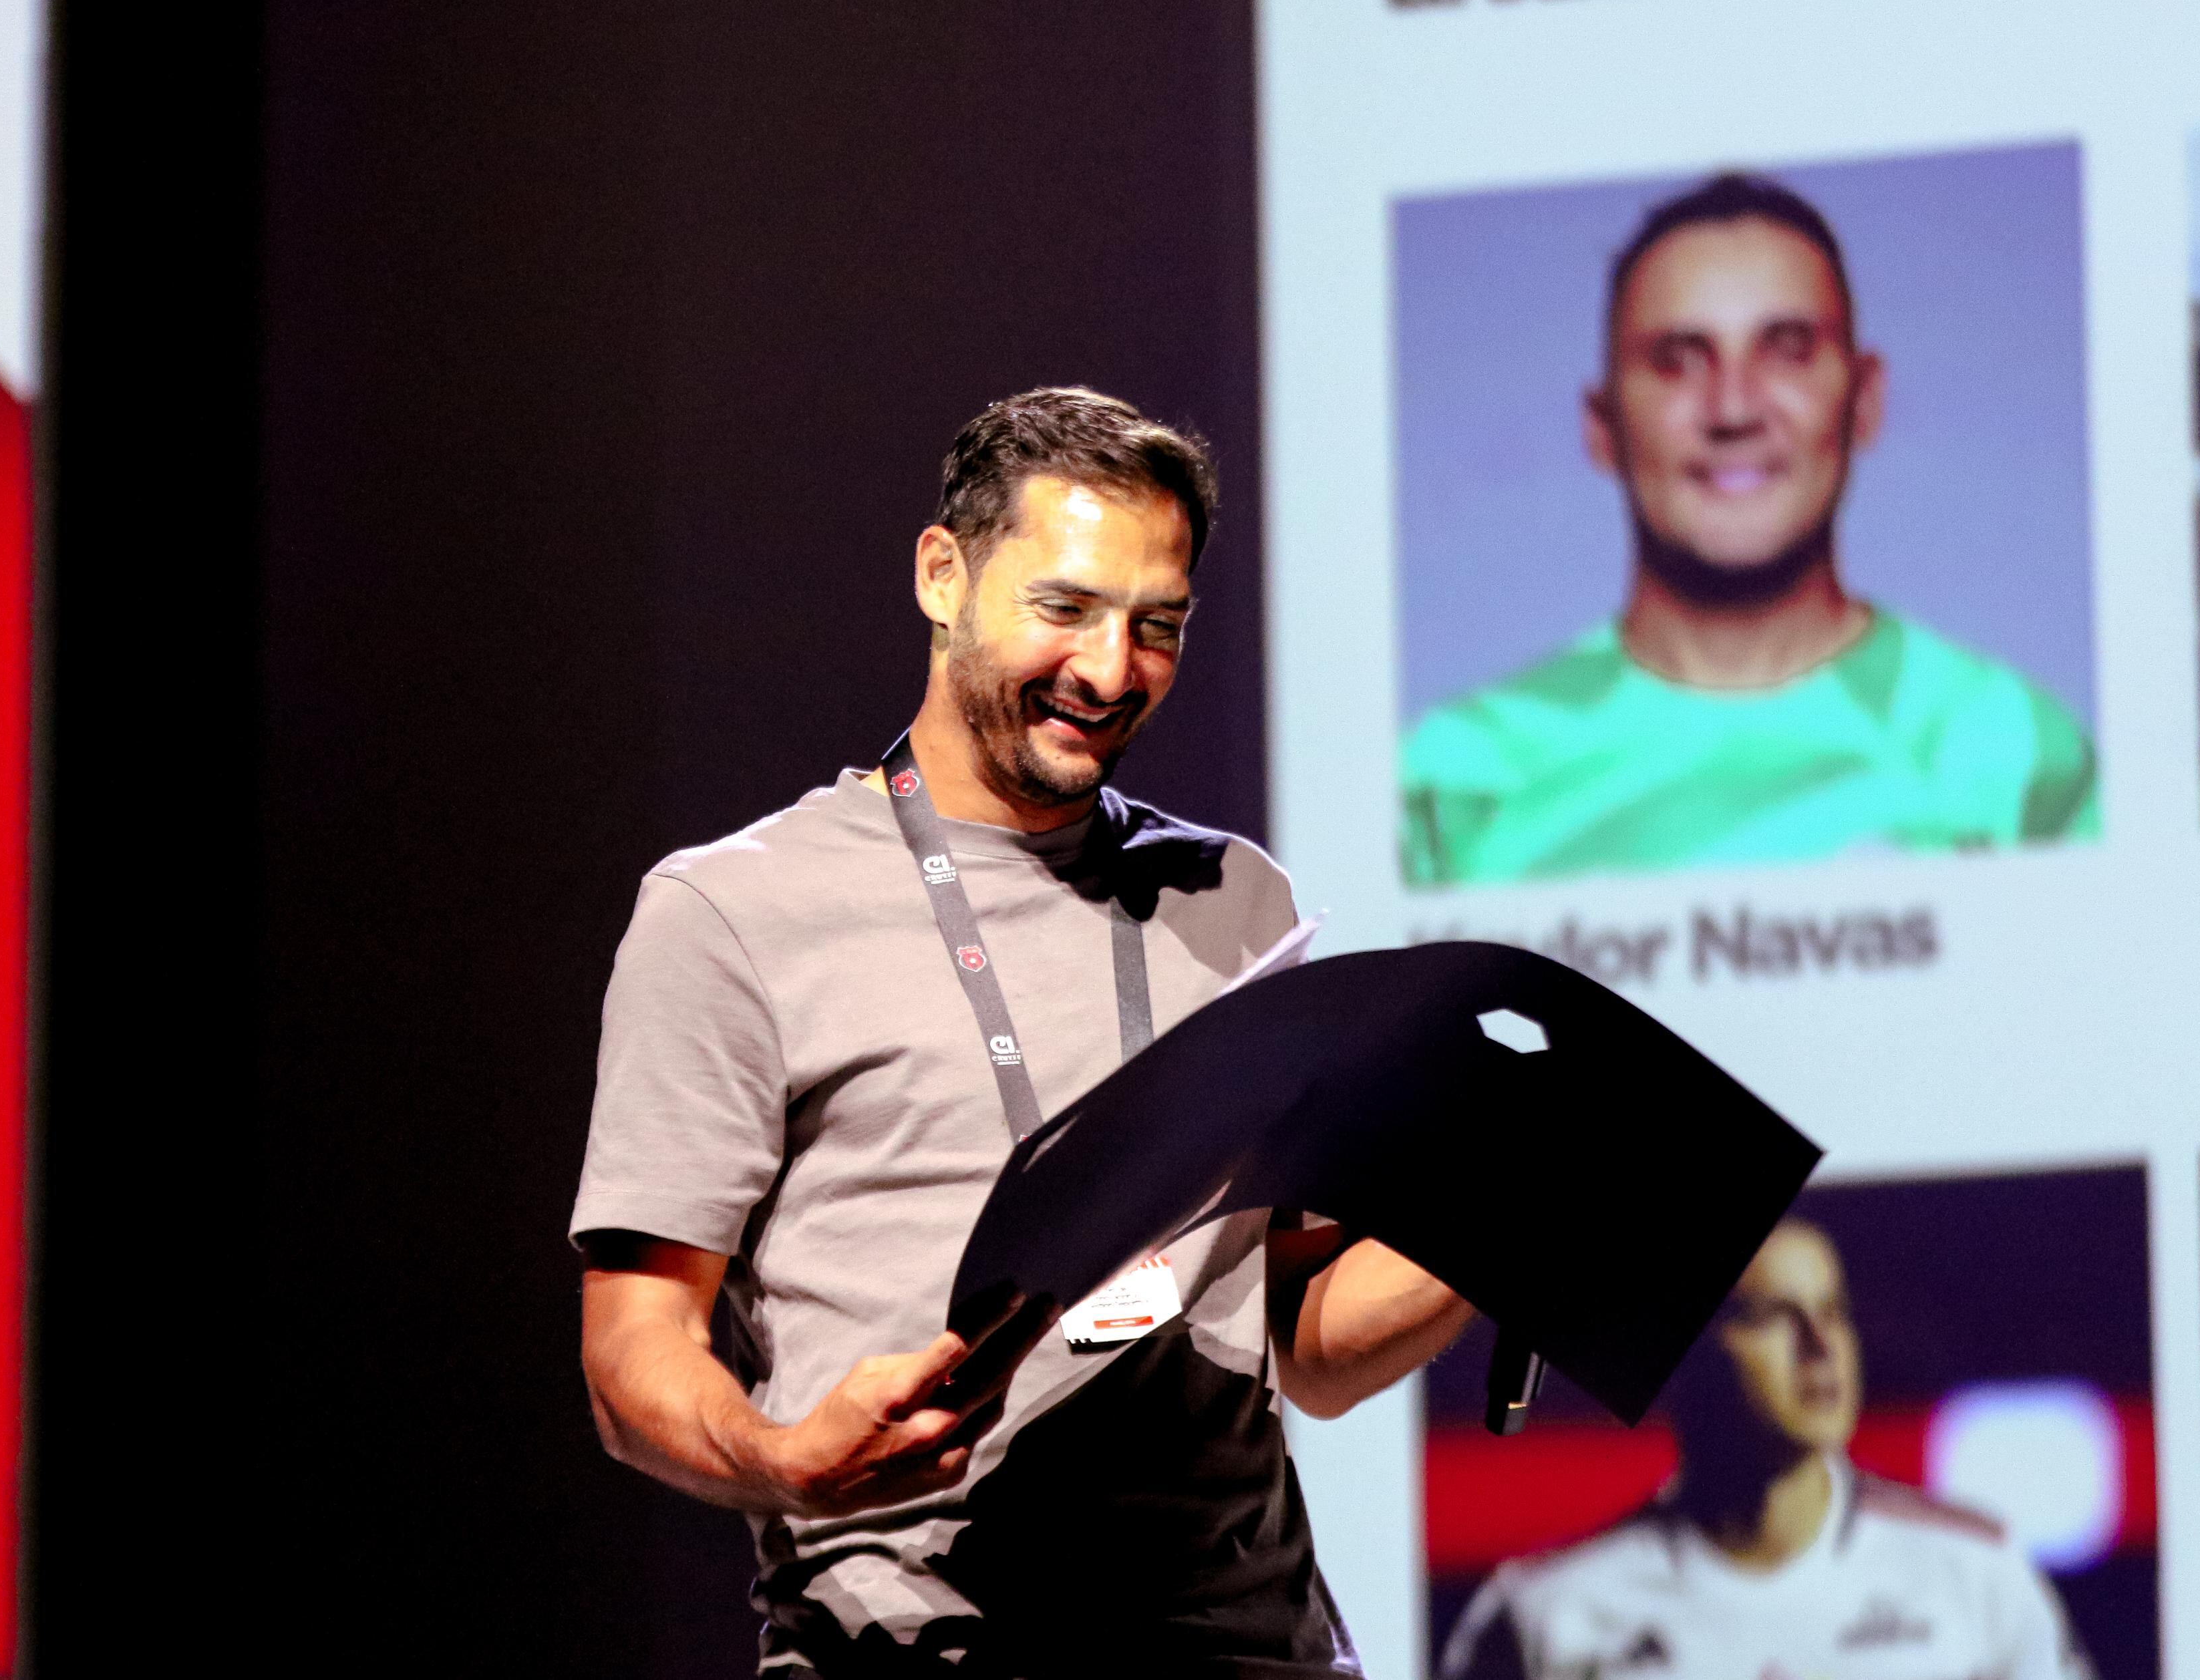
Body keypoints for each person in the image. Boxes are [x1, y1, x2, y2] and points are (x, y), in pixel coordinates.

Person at [573, 388, 1474, 1677]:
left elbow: (1307, 1346)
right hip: (911, 1644)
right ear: (944, 575)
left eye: (1156, 625)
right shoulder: (731, 911)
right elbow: (634, 1349)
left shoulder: (1239, 901)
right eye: (1065, 608)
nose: (1111, 671)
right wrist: (784, 1461)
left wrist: (1501, 1225)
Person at [1400, 173, 2098, 886]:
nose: (1732, 408)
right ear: (1602, 425)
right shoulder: (1454, 779)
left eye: (1787, 349)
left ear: (1863, 399)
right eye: (1676, 361)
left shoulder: (2014, 751)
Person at [1440, 1218, 2092, 1680]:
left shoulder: (1973, 1571)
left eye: (1832, 1310)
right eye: (1773, 1315)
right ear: (1685, 1353)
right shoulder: (1545, 1609)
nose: (1818, 1344)